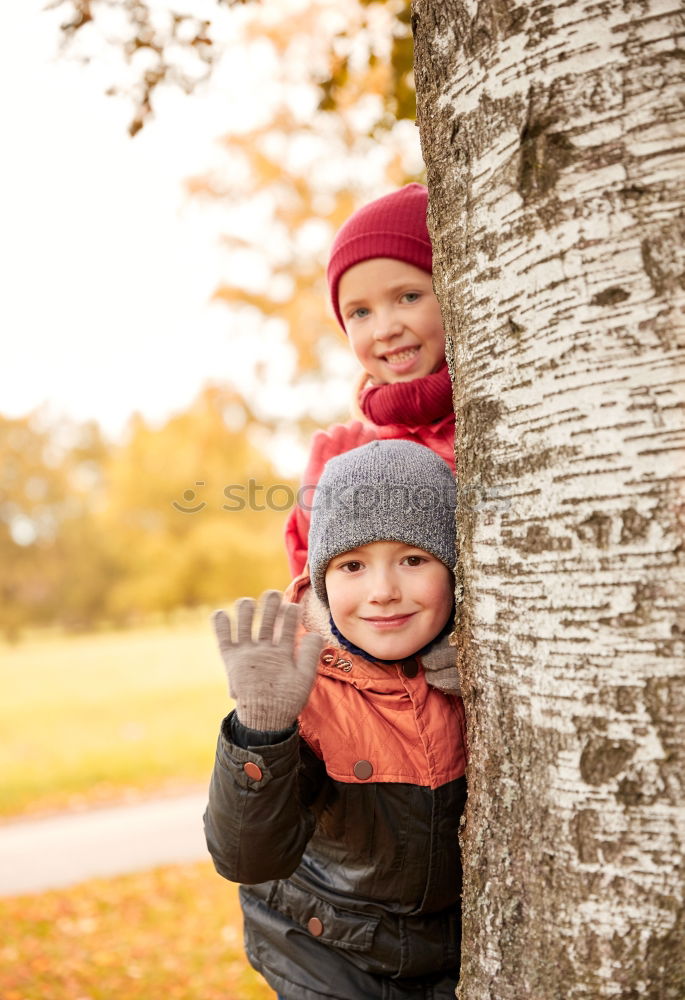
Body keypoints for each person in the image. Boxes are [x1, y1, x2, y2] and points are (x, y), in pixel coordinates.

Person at [204, 440, 467, 1000]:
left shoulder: (476, 676)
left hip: (448, 953)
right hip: (323, 952)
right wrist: (261, 730)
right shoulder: (304, 688)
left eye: (414, 559)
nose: (383, 592)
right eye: (352, 565)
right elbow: (247, 857)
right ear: (322, 579)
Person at [285, 182, 455, 578]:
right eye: (360, 312)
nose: (385, 329)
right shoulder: (346, 453)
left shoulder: (506, 411)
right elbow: (317, 597)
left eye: (408, 297)